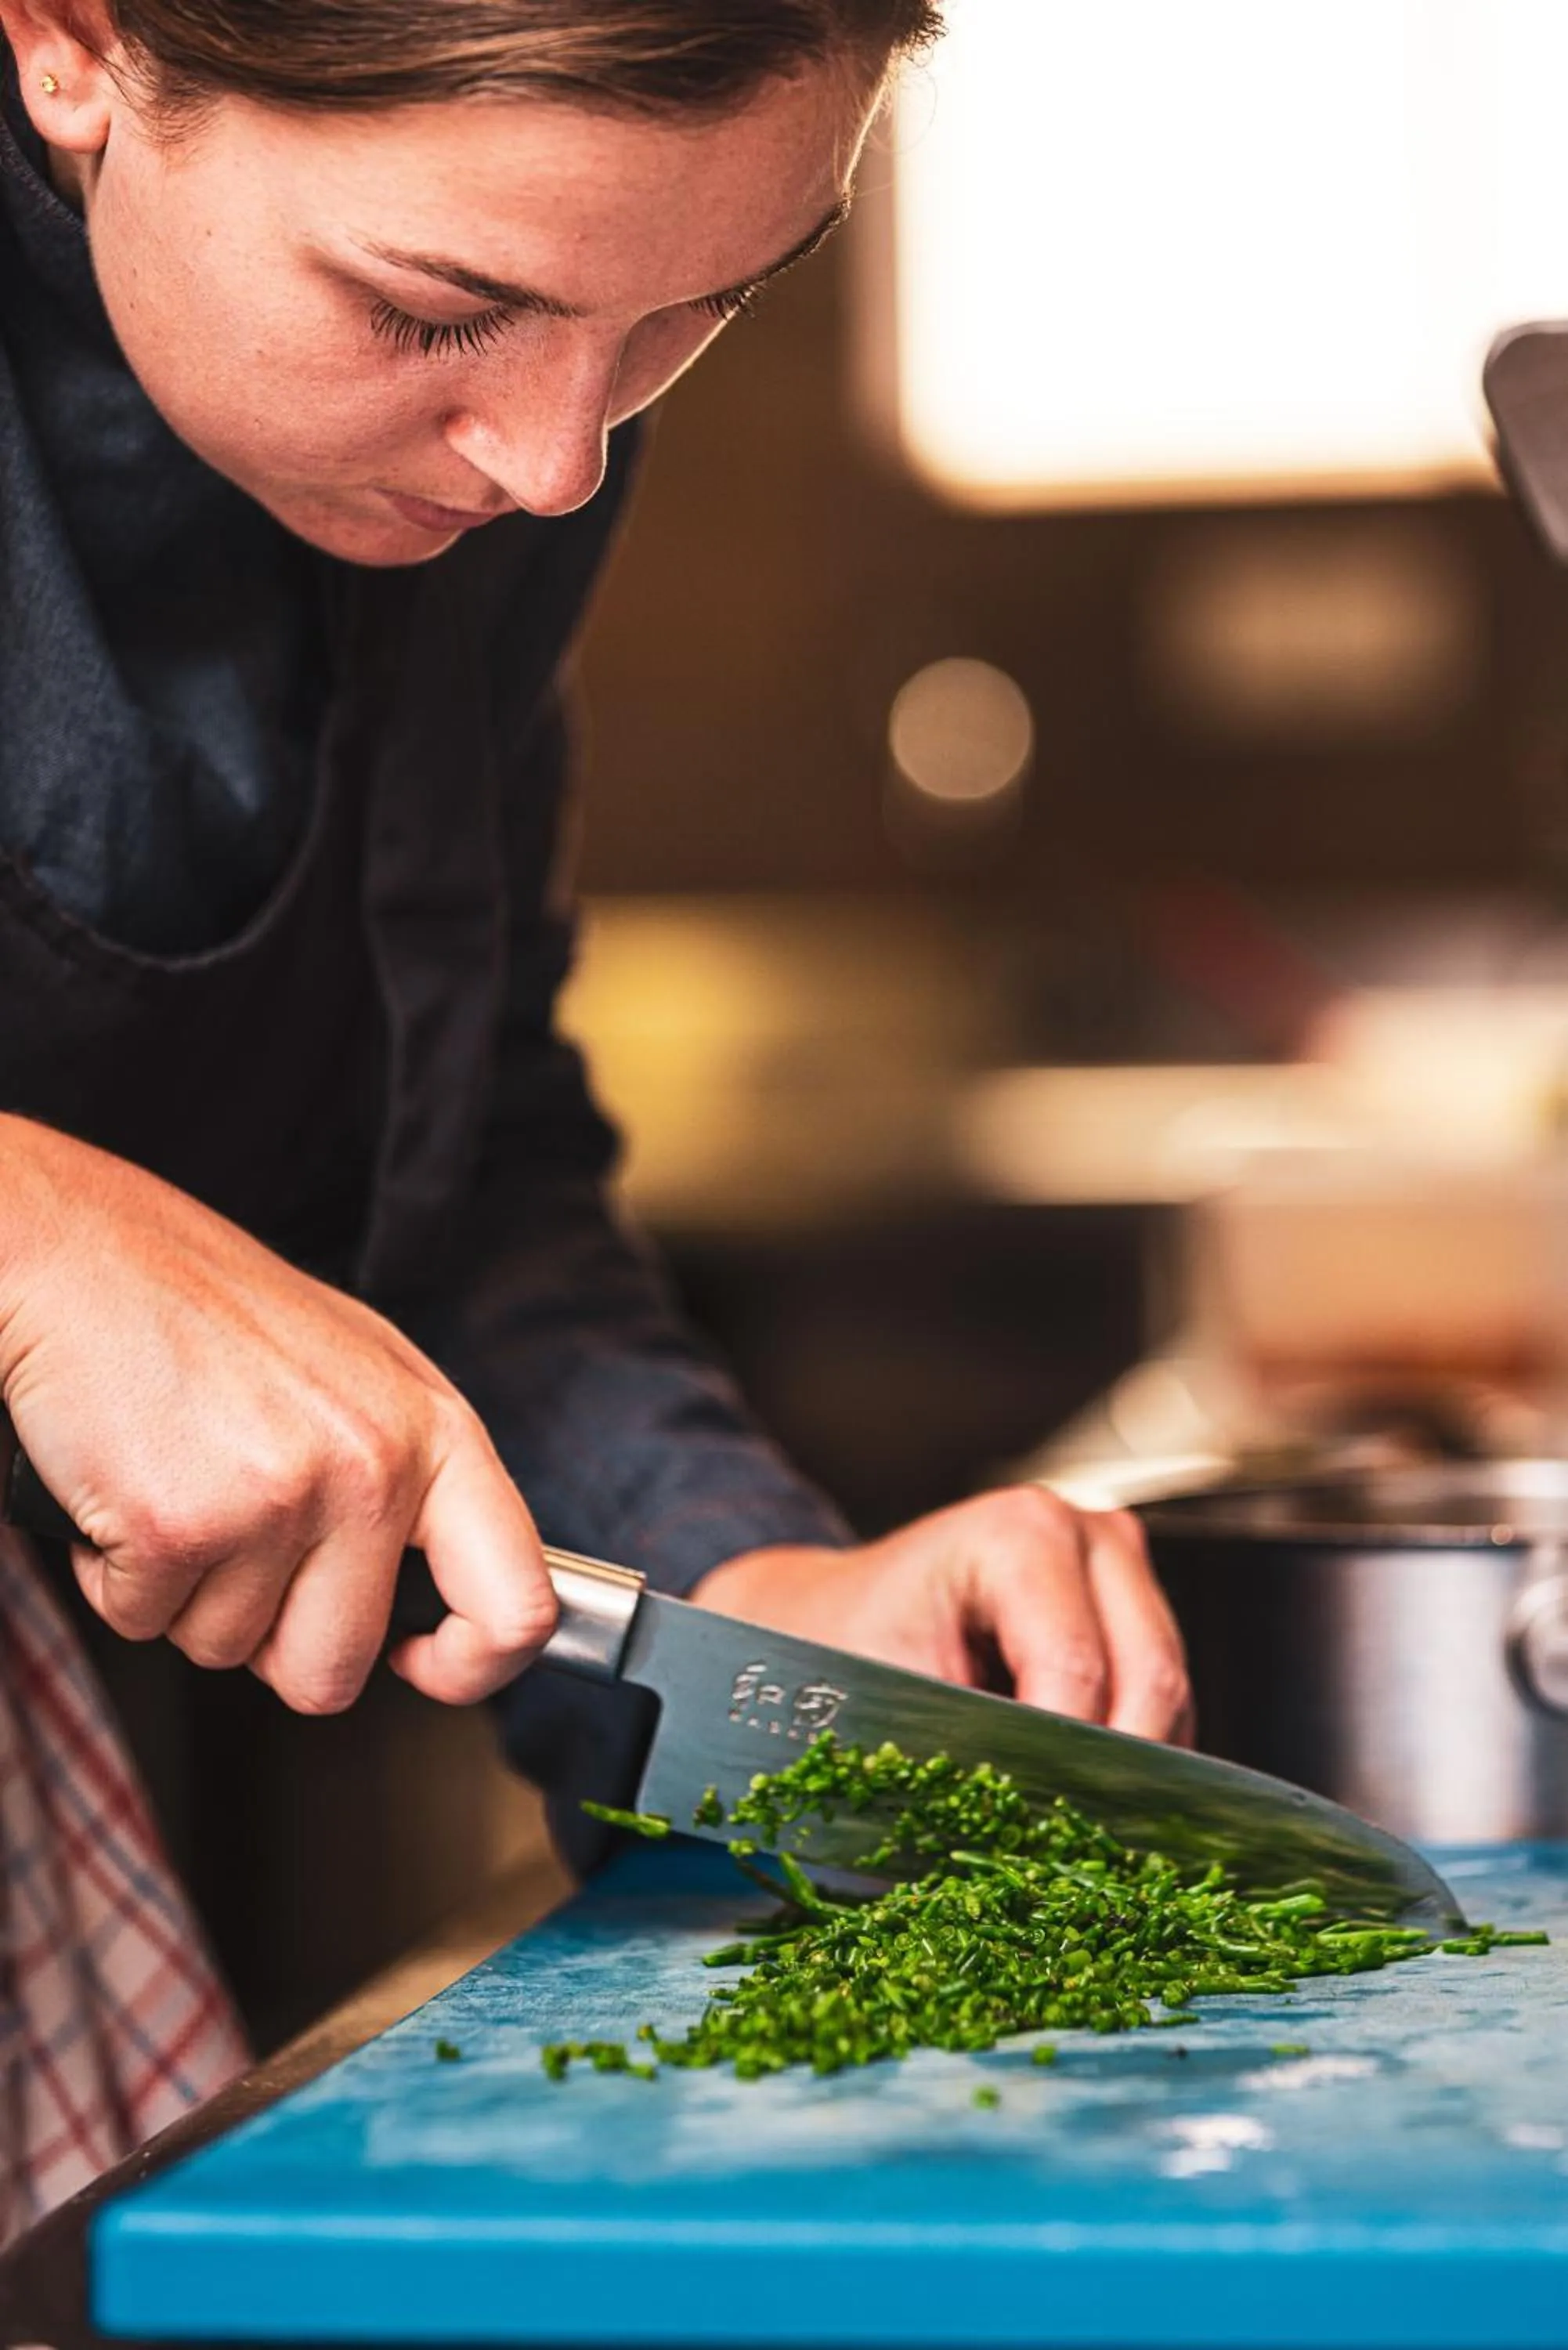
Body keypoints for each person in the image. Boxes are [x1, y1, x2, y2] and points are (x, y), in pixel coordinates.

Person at [0, 0, 1190, 2229]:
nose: (554, 461)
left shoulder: (502, 442)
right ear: (74, 41)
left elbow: (449, 1153)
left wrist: (750, 1586)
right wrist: (36, 1237)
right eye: (434, 312)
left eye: (690, 321)